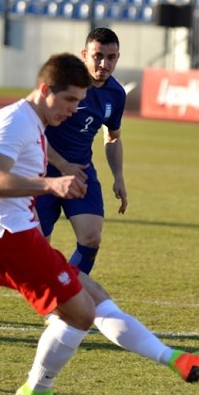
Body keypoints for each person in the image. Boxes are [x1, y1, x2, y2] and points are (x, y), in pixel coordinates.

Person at [0, 53, 199, 395]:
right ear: (45, 90)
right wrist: (51, 183)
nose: (74, 109)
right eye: (70, 100)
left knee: (95, 297)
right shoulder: (15, 121)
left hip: (18, 236)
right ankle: (36, 390)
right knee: (81, 314)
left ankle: (179, 361)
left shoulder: (32, 122)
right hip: (3, 239)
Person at [35, 28, 127, 275]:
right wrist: (62, 164)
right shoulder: (63, 84)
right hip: (43, 172)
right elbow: (34, 130)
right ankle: (55, 293)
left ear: (118, 57)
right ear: (85, 54)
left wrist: (118, 176)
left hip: (81, 172)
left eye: (111, 57)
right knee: (37, 250)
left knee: (91, 239)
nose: (104, 63)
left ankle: (68, 293)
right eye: (98, 56)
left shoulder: (116, 94)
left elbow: (113, 137)